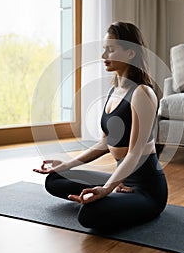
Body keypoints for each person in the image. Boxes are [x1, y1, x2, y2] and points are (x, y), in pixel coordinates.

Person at [33, 22, 168, 231]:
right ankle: (114, 191)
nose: (103, 54)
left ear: (131, 53)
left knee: (89, 214)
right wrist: (66, 164)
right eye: (104, 49)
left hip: (145, 190)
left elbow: (134, 153)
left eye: (111, 49)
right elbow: (106, 142)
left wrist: (106, 189)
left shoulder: (142, 93)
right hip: (121, 180)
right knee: (55, 179)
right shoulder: (116, 89)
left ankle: (114, 194)